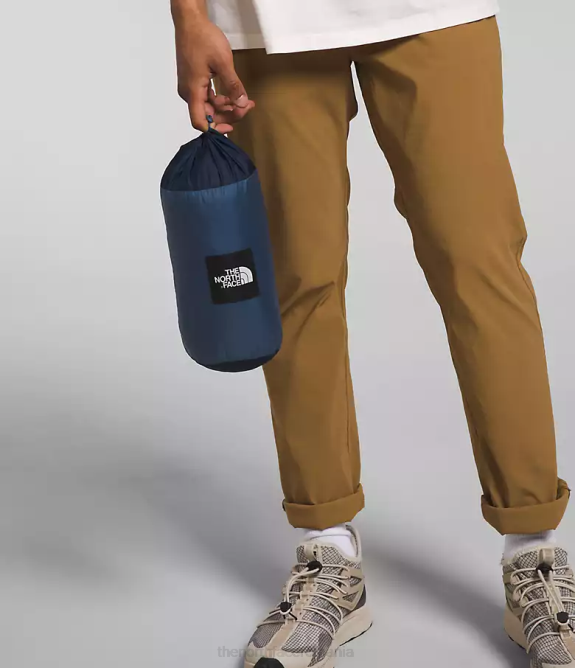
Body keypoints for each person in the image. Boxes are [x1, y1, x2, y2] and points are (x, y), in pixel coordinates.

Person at [169, 1, 574, 666]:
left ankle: (533, 553)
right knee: (298, 276)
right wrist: (188, 17)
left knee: (480, 265)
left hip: (433, 13)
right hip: (267, 23)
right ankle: (327, 550)